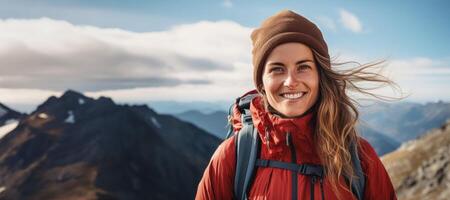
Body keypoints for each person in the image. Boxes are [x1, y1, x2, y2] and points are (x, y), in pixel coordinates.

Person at [196, 10, 397, 200]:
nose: (291, 81)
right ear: (261, 83)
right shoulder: (234, 155)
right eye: (277, 69)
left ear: (320, 75)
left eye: (303, 67)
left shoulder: (359, 159)